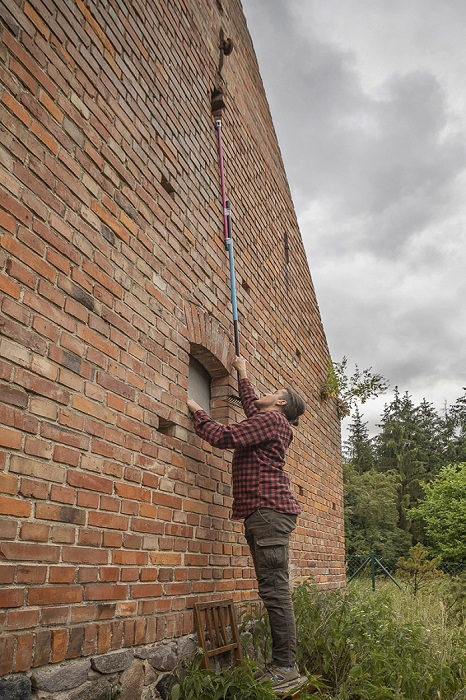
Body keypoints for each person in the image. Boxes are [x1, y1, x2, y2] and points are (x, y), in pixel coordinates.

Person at [187, 356, 306, 694]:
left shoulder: (273, 421)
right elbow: (253, 407)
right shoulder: (270, 420)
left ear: (280, 403)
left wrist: (194, 407)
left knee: (275, 593)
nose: (265, 393)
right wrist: (241, 372)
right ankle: (283, 667)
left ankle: (286, 668)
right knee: (273, 591)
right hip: (265, 513)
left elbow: (226, 437)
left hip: (268, 512)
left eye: (274, 391)